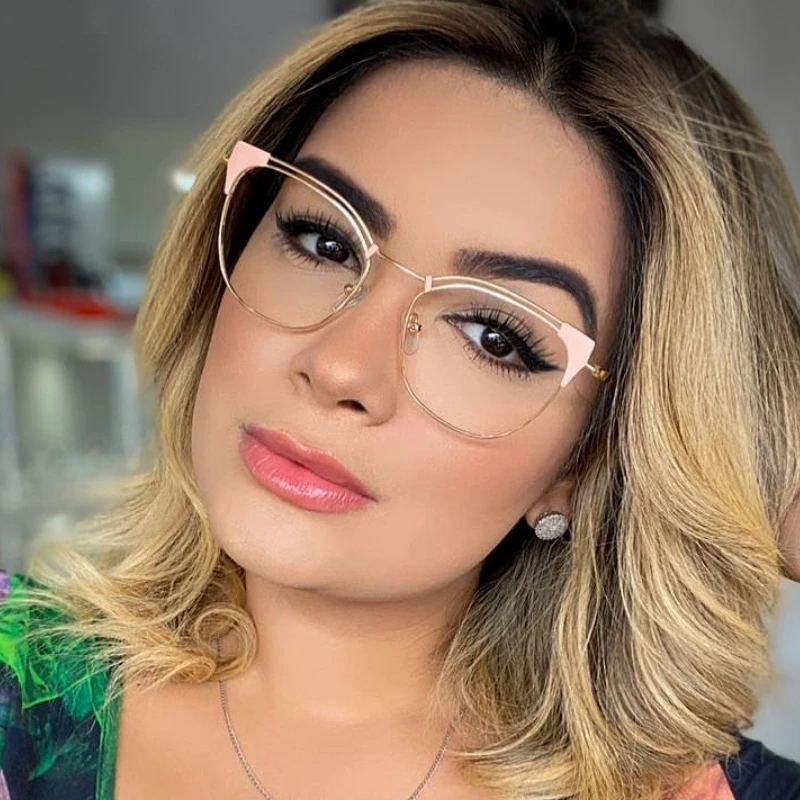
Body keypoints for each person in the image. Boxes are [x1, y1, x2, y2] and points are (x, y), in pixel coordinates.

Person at [2, 0, 800, 798]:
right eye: (323, 241)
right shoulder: (20, 688)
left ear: (588, 454)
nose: (340, 367)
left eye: (493, 336)